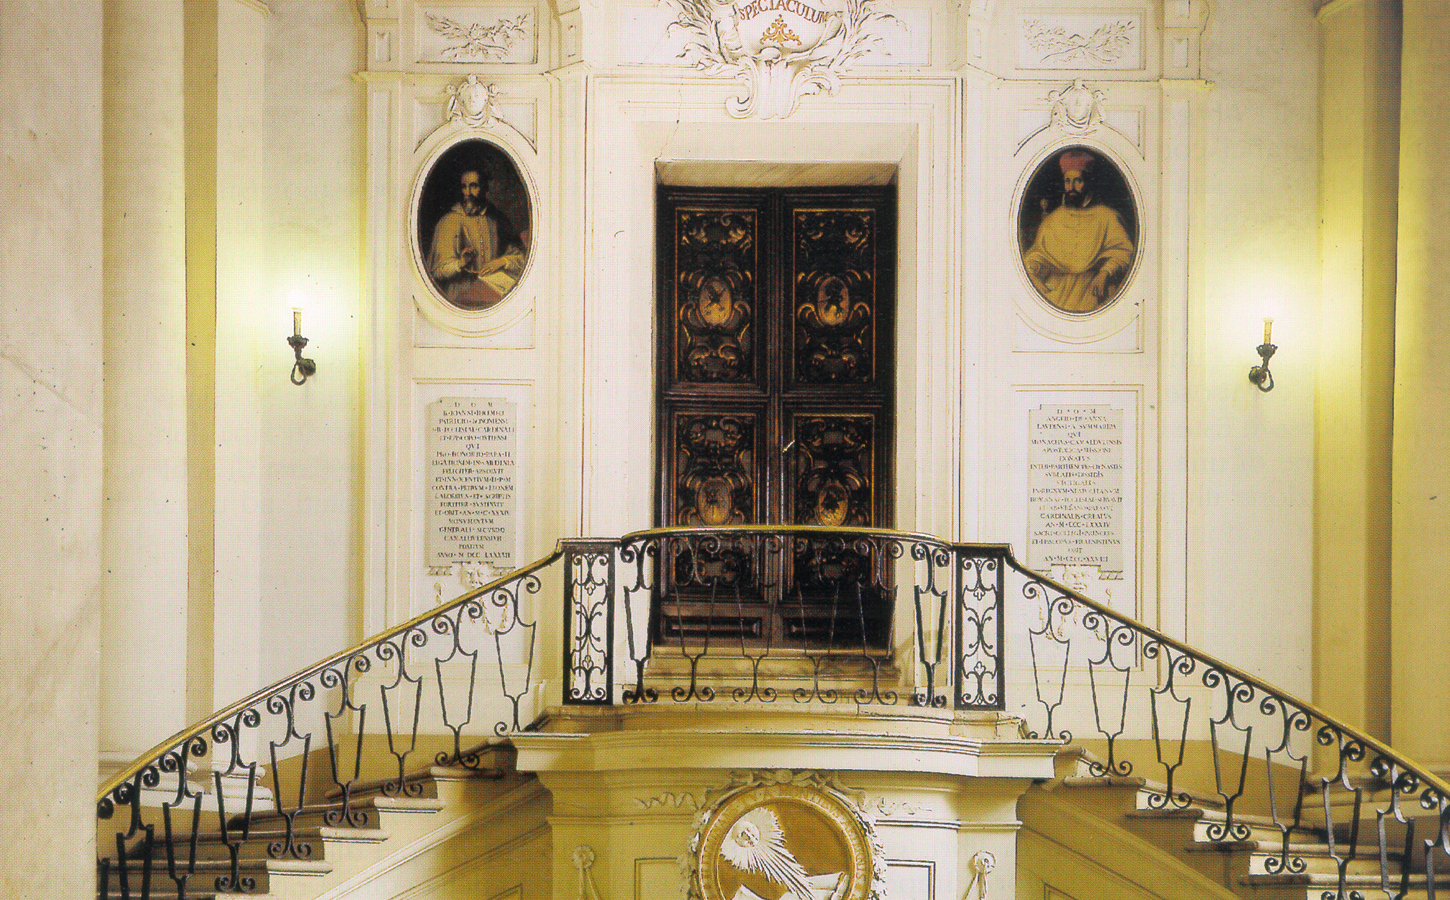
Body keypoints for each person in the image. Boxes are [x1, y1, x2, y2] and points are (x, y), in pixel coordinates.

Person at [1022, 149, 1134, 312]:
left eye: (1078, 181)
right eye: (1067, 181)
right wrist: (1031, 270)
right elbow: (1038, 255)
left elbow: (1124, 252)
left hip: (1092, 289)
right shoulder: (1054, 219)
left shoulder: (1107, 217)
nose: (1071, 187)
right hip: (1056, 290)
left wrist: (1104, 273)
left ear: (1088, 183)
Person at [426, 167, 527, 308]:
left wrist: (502, 261)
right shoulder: (449, 221)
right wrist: (460, 263)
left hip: (492, 291)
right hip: (459, 296)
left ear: (485, 188)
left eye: (474, 186)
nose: (468, 193)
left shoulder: (497, 219)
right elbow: (436, 272)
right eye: (464, 187)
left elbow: (522, 258)